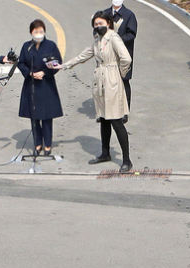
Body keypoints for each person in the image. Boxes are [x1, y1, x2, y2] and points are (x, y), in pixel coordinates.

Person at [56, 11, 133, 172]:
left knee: (116, 121)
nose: (98, 26)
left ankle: (127, 160)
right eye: (96, 24)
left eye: (101, 23)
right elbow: (84, 55)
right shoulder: (98, 40)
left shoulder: (113, 38)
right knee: (104, 118)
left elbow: (126, 58)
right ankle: (105, 153)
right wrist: (65, 65)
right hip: (100, 82)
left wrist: (120, 74)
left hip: (112, 80)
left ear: (109, 23)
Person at [17, 19, 63, 156]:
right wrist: (30, 73)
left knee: (47, 116)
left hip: (46, 84)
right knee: (34, 116)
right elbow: (21, 63)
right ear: (31, 32)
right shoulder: (27, 46)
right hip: (31, 85)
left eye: (41, 31)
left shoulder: (50, 45)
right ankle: (37, 143)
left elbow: (57, 63)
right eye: (36, 31)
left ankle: (48, 144)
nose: (38, 34)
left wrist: (45, 72)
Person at [104, 0, 137, 122]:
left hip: (123, 55)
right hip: (108, 55)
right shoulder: (105, 14)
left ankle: (124, 111)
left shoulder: (129, 15)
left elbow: (132, 34)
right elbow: (96, 30)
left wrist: (117, 40)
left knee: (124, 81)